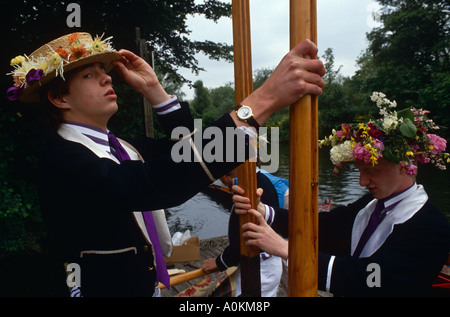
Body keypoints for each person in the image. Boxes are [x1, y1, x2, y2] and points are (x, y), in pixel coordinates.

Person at [6, 32, 325, 297]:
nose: (106, 76)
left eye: (104, 70)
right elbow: (152, 183)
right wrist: (263, 101)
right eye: (89, 74)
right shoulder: (62, 158)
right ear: (60, 99)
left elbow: (186, 150)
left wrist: (153, 90)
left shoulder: (121, 148)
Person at [232, 93, 450, 296]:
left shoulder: (431, 227)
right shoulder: (375, 202)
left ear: (404, 165)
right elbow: (327, 225)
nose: (362, 182)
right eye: (361, 171)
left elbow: (372, 278)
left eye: (372, 171)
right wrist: (264, 211)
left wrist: (287, 249)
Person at [202, 167, 284, 297]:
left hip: (259, 266)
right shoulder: (264, 181)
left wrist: (220, 262)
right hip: (269, 262)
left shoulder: (251, 191)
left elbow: (241, 239)